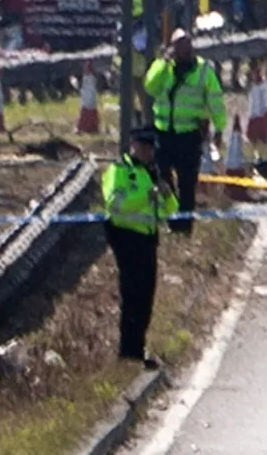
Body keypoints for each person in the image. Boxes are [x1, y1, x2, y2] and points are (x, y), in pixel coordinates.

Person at [102, 128, 178, 368]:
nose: (146, 152)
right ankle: (128, 352)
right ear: (132, 144)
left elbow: (170, 211)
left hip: (147, 239)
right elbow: (115, 204)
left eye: (150, 148)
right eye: (142, 146)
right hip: (125, 238)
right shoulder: (120, 171)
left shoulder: (152, 173)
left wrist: (166, 196)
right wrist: (146, 196)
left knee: (146, 296)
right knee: (132, 294)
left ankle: (138, 348)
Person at [143, 28, 228, 236]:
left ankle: (185, 227)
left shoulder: (203, 71)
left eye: (187, 43)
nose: (184, 48)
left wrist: (219, 127)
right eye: (179, 44)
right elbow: (150, 87)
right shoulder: (163, 68)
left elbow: (215, 100)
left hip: (189, 135)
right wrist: (163, 62)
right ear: (172, 47)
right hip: (164, 133)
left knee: (187, 182)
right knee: (163, 179)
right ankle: (172, 221)